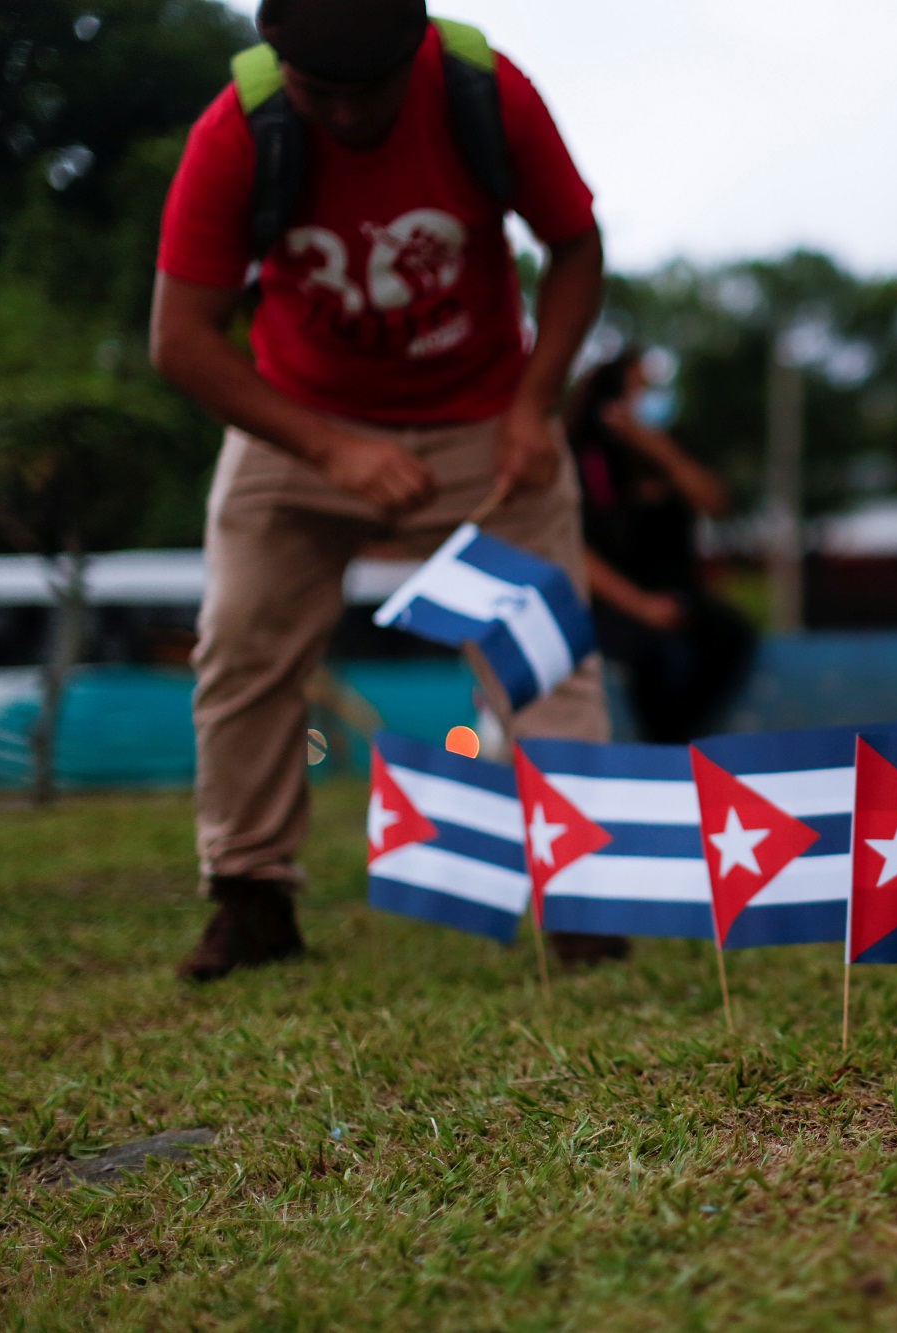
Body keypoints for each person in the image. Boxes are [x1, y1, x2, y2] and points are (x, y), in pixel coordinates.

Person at [151, 0, 615, 978]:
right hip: (297, 421)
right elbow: (181, 341)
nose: (349, 116)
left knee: (544, 657)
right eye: (322, 93)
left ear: (413, 55)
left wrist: (537, 407)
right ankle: (250, 894)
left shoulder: (485, 91)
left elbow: (575, 247)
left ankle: (582, 899)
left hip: (487, 422)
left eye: (371, 93)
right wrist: (329, 450)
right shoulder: (239, 129)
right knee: (240, 646)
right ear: (281, 60)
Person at [564, 352, 757, 744]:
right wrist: (642, 607)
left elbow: (716, 502)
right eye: (641, 388)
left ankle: (678, 746)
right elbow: (576, 552)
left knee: (730, 637)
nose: (652, 397)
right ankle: (660, 753)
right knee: (650, 655)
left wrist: (656, 448)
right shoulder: (586, 462)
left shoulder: (673, 447)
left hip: (678, 594)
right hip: (616, 603)